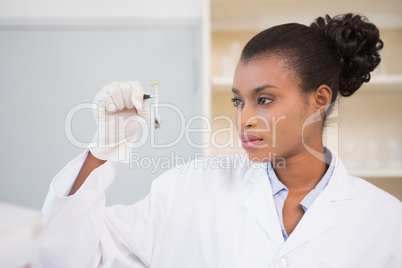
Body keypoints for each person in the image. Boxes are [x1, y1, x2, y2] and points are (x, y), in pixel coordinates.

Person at [39, 13, 402, 268]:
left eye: (264, 99)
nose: (244, 119)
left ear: (319, 100)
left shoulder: (386, 221)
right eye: (238, 101)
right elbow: (72, 258)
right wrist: (102, 150)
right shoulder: (188, 189)